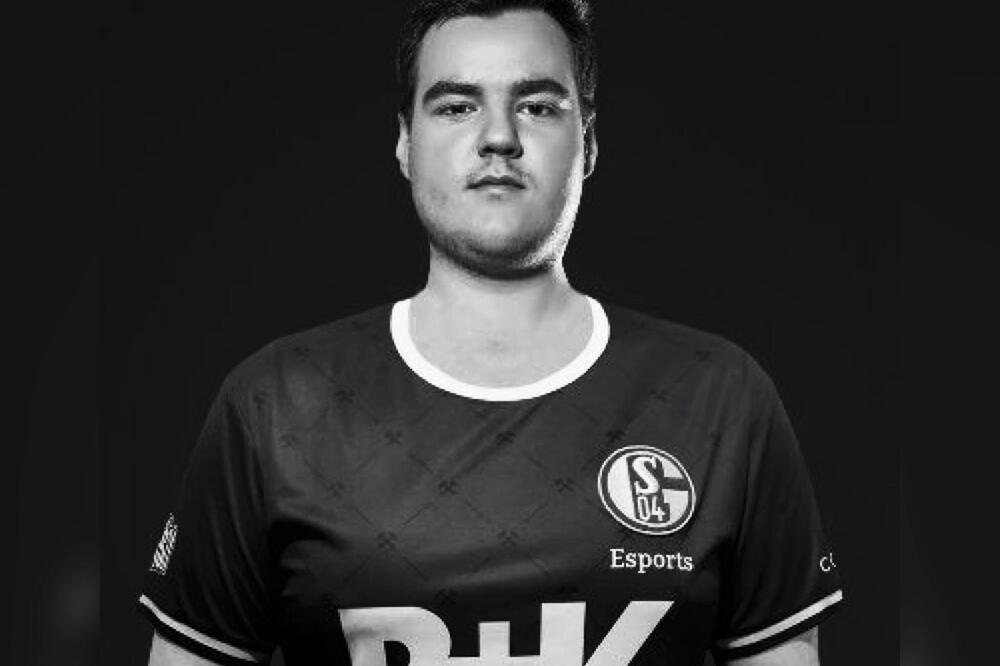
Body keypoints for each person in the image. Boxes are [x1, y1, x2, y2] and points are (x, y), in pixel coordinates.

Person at [138, 1, 844, 664]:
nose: (499, 137)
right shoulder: (274, 406)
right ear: (405, 143)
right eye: (457, 105)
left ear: (589, 142)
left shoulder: (720, 399)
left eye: (537, 105)